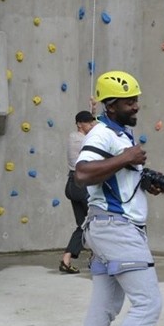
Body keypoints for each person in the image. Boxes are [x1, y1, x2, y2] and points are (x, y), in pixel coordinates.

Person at [72, 71, 164, 326]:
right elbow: (83, 173)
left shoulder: (120, 134)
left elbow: (115, 183)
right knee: (149, 304)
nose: (136, 106)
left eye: (136, 99)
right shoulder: (103, 133)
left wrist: (144, 183)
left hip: (106, 227)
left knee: (103, 309)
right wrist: (128, 158)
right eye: (129, 101)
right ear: (110, 106)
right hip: (117, 229)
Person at [61, 110, 97, 274]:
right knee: (94, 222)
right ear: (79, 124)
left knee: (83, 224)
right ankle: (95, 258)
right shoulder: (82, 140)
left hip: (72, 184)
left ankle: (66, 260)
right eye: (89, 123)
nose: (92, 125)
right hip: (82, 185)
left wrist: (93, 110)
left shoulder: (72, 137)